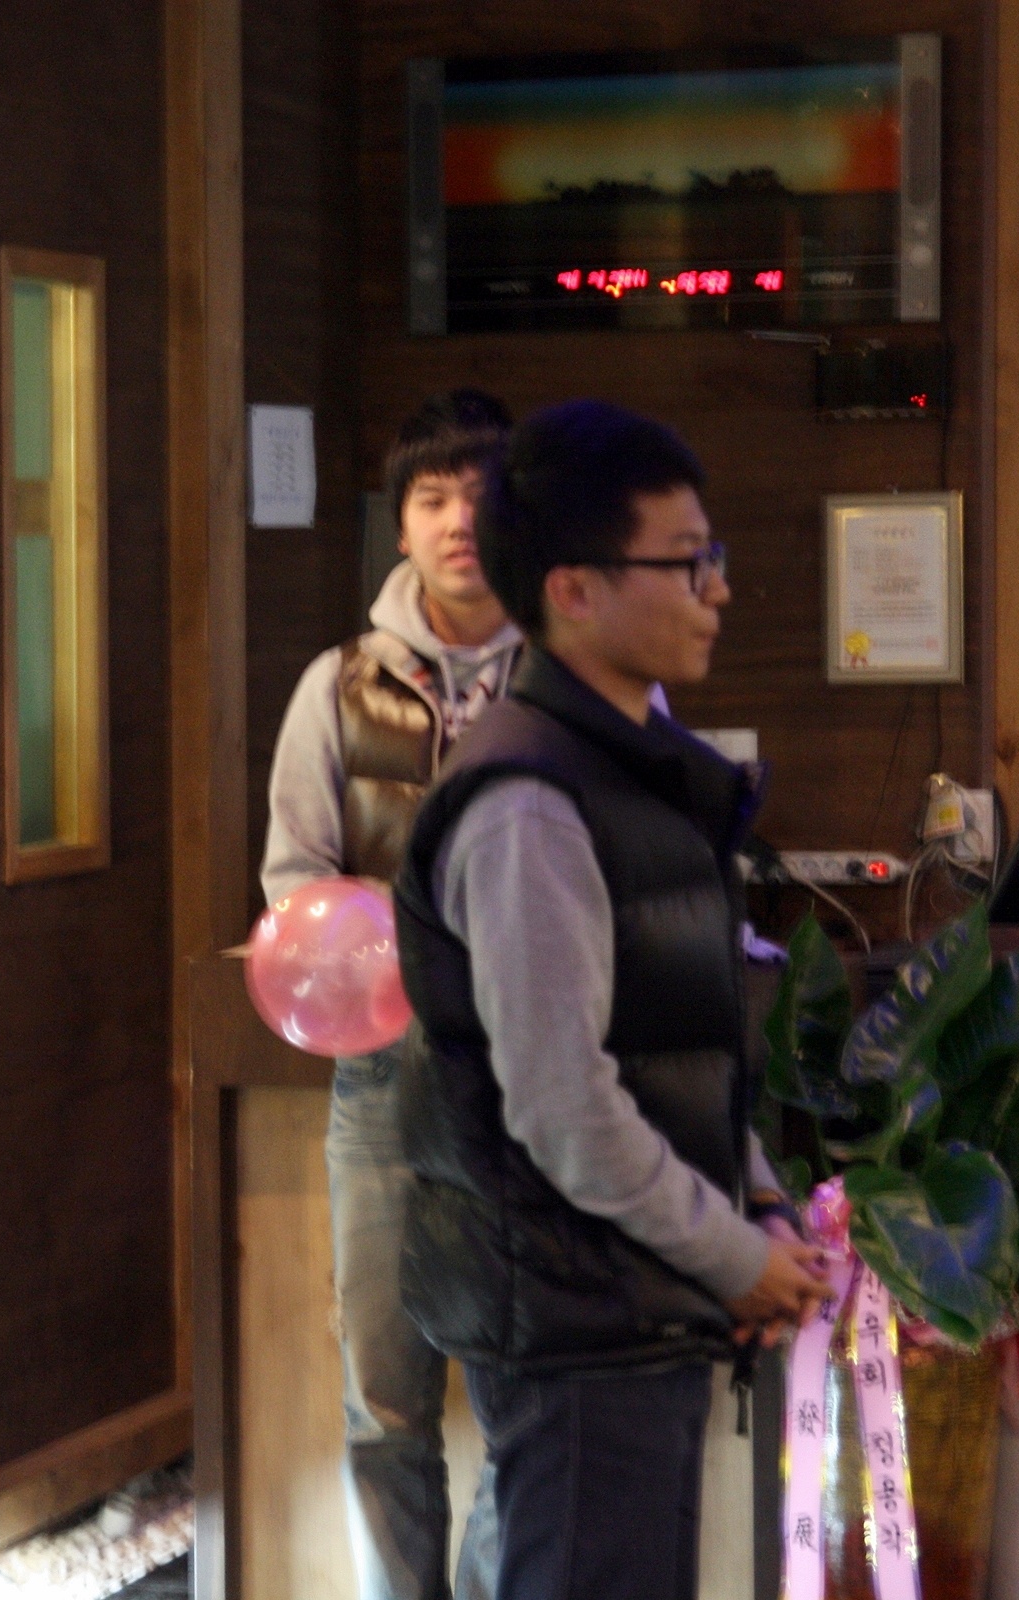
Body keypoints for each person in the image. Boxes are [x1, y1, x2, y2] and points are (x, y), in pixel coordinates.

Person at [392, 400, 830, 1600]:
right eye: (686, 561)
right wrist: (731, 1251)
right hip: (579, 1307)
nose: (716, 589)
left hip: (636, 1297)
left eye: (712, 555)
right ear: (575, 590)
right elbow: (563, 1106)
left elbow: (670, 1049)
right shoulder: (527, 801)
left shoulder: (626, 769)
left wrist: (758, 1201)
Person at [261, 388, 520, 1600]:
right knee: (384, 1401)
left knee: (526, 1398)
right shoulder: (337, 684)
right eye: (433, 497)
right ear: (400, 524)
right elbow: (292, 882)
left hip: (529, 1084)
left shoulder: (577, 674)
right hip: (378, 1084)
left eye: (483, 494)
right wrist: (384, 953)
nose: (460, 520)